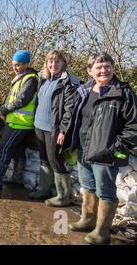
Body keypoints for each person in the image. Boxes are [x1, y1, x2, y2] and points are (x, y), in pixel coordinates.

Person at [68, 53, 137, 245]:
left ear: (113, 68)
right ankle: (88, 220)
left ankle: (102, 230)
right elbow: (76, 117)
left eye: (107, 66)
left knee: (105, 190)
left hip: (106, 151)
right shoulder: (84, 90)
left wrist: (116, 147)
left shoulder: (123, 92)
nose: (103, 70)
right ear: (89, 71)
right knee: (87, 186)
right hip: (84, 148)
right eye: (98, 67)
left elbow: (134, 125)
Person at [29, 50, 81, 207]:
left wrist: (63, 130)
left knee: (55, 160)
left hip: (54, 129)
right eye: (50, 62)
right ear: (46, 63)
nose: (53, 65)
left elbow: (69, 110)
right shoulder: (43, 79)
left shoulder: (68, 82)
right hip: (39, 126)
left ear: (63, 63)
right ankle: (44, 189)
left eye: (57, 62)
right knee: (44, 158)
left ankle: (63, 196)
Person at [0, 50, 39, 189]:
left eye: (18, 65)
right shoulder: (20, 78)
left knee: (4, 149)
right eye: (13, 65)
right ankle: (17, 178)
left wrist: (4, 109)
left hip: (21, 122)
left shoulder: (30, 79)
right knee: (18, 151)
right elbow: (12, 98)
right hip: (15, 121)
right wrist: (4, 111)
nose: (15, 68)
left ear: (26, 64)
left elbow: (22, 100)